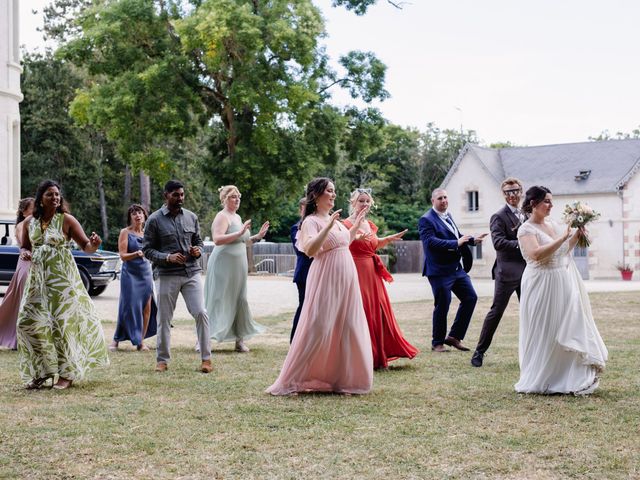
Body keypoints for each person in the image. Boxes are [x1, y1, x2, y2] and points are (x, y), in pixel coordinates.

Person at [266, 178, 373, 395]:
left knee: (347, 325)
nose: (333, 195)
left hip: (346, 278)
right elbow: (311, 249)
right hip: (326, 277)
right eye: (329, 191)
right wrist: (329, 227)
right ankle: (294, 378)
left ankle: (343, 379)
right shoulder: (311, 222)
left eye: (334, 191)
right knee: (319, 326)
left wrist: (354, 227)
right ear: (316, 195)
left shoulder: (336, 220)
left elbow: (343, 243)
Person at [16, 180, 109, 390]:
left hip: (62, 281)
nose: (55, 198)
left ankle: (67, 374)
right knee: (26, 322)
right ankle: (42, 371)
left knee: (62, 325)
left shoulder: (66, 220)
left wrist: (94, 245)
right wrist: (25, 253)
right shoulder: (30, 222)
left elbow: (86, 247)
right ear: (41, 198)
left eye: (57, 194)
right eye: (50, 194)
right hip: (37, 281)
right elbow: (24, 246)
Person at [515, 186, 607, 395]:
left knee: (564, 325)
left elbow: (563, 250)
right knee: (544, 328)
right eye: (546, 201)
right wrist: (563, 237)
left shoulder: (552, 224)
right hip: (540, 281)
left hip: (561, 279)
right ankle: (542, 377)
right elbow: (536, 254)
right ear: (533, 204)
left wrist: (576, 235)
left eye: (551, 201)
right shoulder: (526, 230)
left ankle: (567, 375)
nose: (551, 205)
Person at [343, 188, 419, 369]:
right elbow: (342, 244)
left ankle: (378, 352)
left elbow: (373, 245)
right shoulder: (344, 224)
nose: (365, 204)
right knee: (362, 310)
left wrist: (388, 239)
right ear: (352, 202)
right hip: (355, 271)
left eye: (367, 201)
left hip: (372, 273)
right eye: (361, 200)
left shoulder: (369, 224)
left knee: (378, 310)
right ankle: (362, 355)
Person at [143, 180, 212, 373]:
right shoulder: (154, 220)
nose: (180, 198)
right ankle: (162, 360)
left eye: (182, 194)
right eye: (175, 195)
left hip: (191, 272)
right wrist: (167, 257)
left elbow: (199, 241)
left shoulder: (191, 217)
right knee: (164, 318)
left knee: (201, 312)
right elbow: (147, 249)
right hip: (166, 274)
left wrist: (197, 250)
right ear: (166, 195)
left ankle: (206, 359)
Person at [418, 188, 487, 352]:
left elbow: (456, 235)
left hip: (456, 269)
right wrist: (456, 243)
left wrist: (471, 240)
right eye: (440, 198)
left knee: (470, 297)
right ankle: (437, 343)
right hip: (439, 270)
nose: (444, 200)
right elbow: (430, 242)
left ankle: (454, 337)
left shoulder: (448, 216)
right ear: (432, 201)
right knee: (443, 304)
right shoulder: (426, 220)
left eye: (445, 197)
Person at [204, 185, 268, 352]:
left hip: (238, 266)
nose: (237, 199)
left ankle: (239, 340)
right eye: (233, 196)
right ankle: (203, 340)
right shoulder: (222, 216)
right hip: (222, 264)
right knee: (218, 299)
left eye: (238, 196)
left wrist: (257, 237)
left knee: (241, 299)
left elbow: (243, 241)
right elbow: (217, 239)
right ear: (225, 199)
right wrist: (239, 233)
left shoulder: (237, 217)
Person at [471, 178, 527, 367]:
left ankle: (532, 353)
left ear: (521, 191)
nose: (512, 195)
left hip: (528, 272)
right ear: (503, 195)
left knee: (531, 311)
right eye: (508, 192)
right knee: (496, 312)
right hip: (507, 272)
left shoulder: (526, 213)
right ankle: (479, 352)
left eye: (515, 191)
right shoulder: (498, 216)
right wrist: (523, 244)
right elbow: (498, 243)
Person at [110, 204, 158, 352]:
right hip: (130, 274)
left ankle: (140, 342)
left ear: (144, 216)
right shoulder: (125, 232)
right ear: (130, 217)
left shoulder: (148, 234)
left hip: (145, 273)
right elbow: (123, 256)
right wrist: (136, 253)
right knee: (127, 307)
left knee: (146, 307)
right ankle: (116, 340)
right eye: (134, 213)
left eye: (140, 213)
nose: (137, 215)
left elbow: (154, 252)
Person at [0, 198, 35, 349]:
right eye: (33, 208)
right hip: (27, 264)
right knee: (24, 301)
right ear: (24, 211)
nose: (35, 210)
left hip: (31, 263)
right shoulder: (23, 225)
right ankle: (18, 338)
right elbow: (25, 245)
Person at [289, 197, 313, 343]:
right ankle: (295, 340)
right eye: (305, 208)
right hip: (304, 272)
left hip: (319, 271)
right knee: (304, 306)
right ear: (300, 210)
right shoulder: (296, 227)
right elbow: (302, 250)